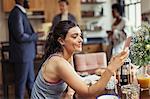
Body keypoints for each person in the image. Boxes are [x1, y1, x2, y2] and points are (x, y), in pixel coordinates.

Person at [31, 20, 129, 99]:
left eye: (80, 35)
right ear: (61, 40)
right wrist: (110, 68)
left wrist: (70, 92)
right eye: (75, 36)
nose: (81, 39)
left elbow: (72, 79)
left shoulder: (67, 56)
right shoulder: (58, 62)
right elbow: (88, 93)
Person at [8, 0, 39, 98]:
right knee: (21, 85)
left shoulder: (21, 12)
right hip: (22, 56)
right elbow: (20, 36)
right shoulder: (16, 13)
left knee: (31, 84)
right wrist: (35, 36)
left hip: (27, 55)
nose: (29, 1)